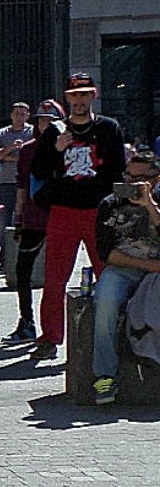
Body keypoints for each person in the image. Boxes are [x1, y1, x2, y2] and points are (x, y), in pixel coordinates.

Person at [29, 72, 126, 360]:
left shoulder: (109, 128)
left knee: (108, 274)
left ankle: (116, 334)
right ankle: (50, 337)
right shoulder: (54, 131)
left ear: (93, 95)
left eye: (85, 94)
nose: (79, 100)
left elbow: (117, 171)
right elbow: (38, 171)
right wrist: (57, 150)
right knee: (55, 278)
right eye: (74, 95)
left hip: (99, 211)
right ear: (67, 98)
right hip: (64, 211)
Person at [91, 152, 160, 404]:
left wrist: (150, 206)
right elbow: (106, 253)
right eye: (128, 177)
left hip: (157, 272)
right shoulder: (110, 204)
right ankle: (105, 375)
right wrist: (147, 265)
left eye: (139, 178)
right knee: (105, 304)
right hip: (125, 267)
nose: (132, 183)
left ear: (155, 179)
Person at [3, 99, 66, 344]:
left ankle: (56, 327)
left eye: (51, 121)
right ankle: (26, 321)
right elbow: (22, 183)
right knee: (22, 271)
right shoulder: (28, 149)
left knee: (57, 275)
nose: (45, 124)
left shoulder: (70, 147)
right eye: (41, 120)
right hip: (34, 216)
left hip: (62, 216)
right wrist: (18, 216)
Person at [0, 102, 34, 238]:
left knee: (26, 219)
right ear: (11, 116)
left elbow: (33, 155)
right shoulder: (1, 134)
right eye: (16, 114)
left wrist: (8, 157)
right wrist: (10, 148)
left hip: (27, 182)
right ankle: (5, 254)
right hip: (6, 182)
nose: (19, 117)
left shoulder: (33, 132)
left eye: (22, 114)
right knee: (5, 221)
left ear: (28, 116)